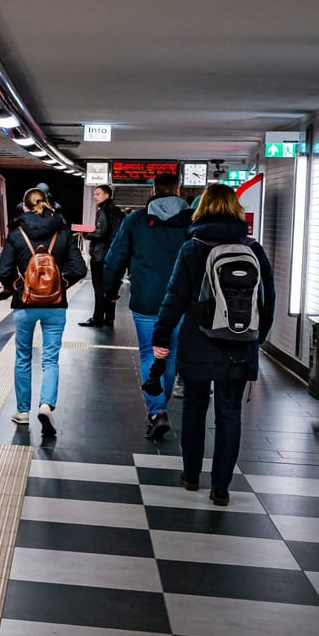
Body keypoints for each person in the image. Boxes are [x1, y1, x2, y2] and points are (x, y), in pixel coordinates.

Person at [151, 183, 276, 505]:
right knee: (229, 413)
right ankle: (220, 487)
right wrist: (254, 340)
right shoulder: (253, 248)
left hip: (198, 340)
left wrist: (161, 336)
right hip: (238, 343)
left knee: (194, 408)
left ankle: (191, 475)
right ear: (236, 210)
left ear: (201, 208)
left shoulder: (193, 248)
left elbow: (174, 297)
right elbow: (268, 299)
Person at [103, 173, 194, 440]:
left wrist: (109, 293)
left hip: (146, 300)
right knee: (172, 355)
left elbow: (115, 258)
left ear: (154, 189)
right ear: (177, 189)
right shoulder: (192, 222)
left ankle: (157, 411)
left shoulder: (136, 220)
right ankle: (160, 408)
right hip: (181, 303)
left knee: (149, 355)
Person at [0, 185, 86, 436]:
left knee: (23, 358)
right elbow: (79, 269)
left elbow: (3, 271)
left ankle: (22, 412)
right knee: (50, 360)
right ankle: (45, 405)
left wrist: (19, 287)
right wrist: (59, 284)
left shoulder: (16, 234)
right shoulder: (63, 233)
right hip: (55, 306)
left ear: (24, 207)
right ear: (47, 203)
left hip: (24, 306)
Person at [78, 184, 125, 328]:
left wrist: (86, 234)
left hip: (100, 256)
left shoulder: (103, 211)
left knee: (99, 289)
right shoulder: (119, 213)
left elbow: (100, 232)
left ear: (107, 195)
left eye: (98, 194)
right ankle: (109, 318)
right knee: (111, 289)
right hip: (114, 256)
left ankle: (97, 318)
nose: (95, 197)